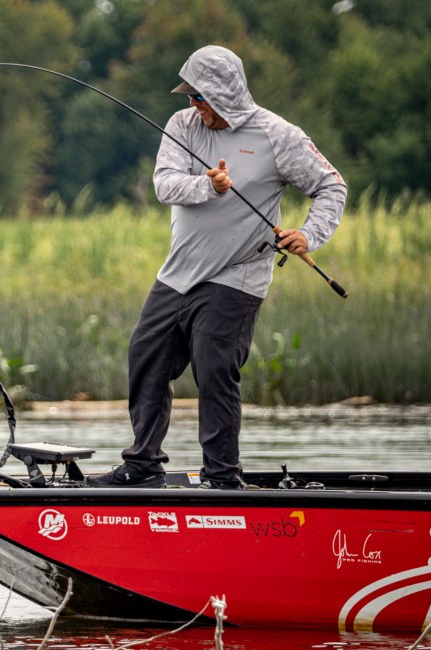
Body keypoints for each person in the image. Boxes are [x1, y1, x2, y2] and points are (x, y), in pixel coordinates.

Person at [89, 45, 347, 490]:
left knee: (214, 369)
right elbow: (164, 184)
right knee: (145, 356)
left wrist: (309, 234)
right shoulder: (181, 125)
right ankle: (143, 466)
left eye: (199, 97)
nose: (193, 104)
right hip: (178, 273)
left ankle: (223, 478)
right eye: (189, 96)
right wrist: (207, 186)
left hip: (236, 277)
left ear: (225, 94)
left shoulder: (278, 136)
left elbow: (331, 185)